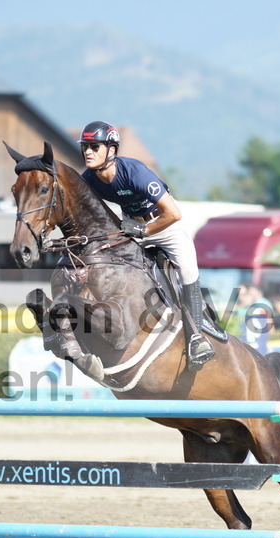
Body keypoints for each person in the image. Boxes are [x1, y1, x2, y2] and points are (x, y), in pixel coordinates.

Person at [76, 120, 214, 368]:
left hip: (163, 226)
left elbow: (174, 213)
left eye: (94, 147)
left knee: (188, 271)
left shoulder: (134, 172)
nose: (88, 152)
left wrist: (144, 230)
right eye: (85, 147)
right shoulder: (88, 179)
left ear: (111, 150)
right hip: (130, 227)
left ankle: (196, 338)